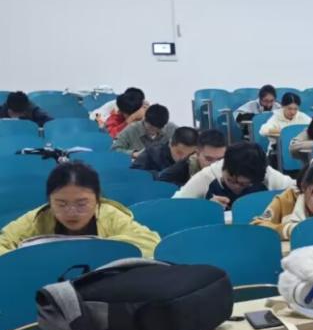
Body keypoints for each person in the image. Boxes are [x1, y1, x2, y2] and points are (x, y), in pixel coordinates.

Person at [0, 162, 159, 257]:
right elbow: (3, 241)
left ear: (97, 199)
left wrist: (94, 247)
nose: (71, 212)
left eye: (81, 204)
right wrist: (30, 259)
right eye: (61, 204)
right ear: (49, 201)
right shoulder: (38, 218)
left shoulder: (109, 214)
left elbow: (150, 242)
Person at [173, 142, 295, 208]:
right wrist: (206, 209)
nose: (236, 187)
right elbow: (175, 206)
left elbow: (298, 190)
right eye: (230, 180)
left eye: (243, 184)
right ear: (223, 167)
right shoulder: (208, 176)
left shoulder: (267, 174)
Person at [158, 129, 227, 187]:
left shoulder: (230, 164)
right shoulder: (180, 170)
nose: (214, 164)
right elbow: (160, 181)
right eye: (209, 159)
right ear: (197, 154)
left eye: (220, 159)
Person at [112, 103, 177, 157]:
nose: (154, 131)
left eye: (158, 129)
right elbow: (114, 150)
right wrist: (134, 154)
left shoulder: (171, 128)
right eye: (151, 127)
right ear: (144, 119)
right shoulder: (132, 129)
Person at [132, 126, 197, 174]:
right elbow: (134, 178)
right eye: (179, 153)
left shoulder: (196, 160)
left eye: (189, 155)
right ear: (170, 143)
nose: (183, 158)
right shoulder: (149, 155)